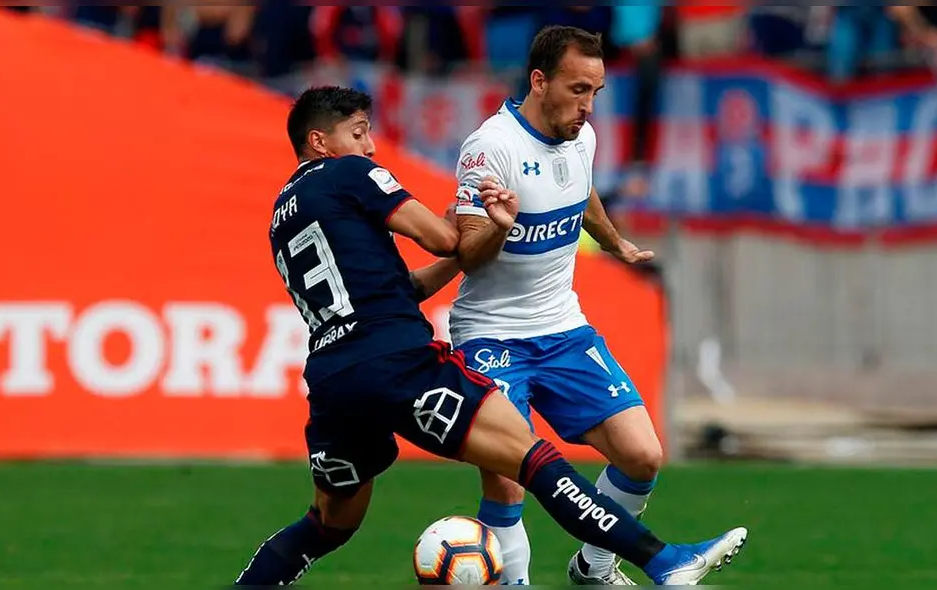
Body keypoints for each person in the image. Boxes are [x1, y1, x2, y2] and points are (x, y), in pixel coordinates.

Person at [233, 85, 747, 586]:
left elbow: (401, 288)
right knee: (532, 458)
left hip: (332, 377)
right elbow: (443, 239)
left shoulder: (283, 213)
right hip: (398, 361)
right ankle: (663, 562)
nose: (369, 146)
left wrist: (482, 237)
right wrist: (480, 218)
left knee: (328, 524)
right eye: (359, 132)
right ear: (320, 142)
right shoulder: (351, 172)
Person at [451, 25, 748, 585]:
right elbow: (467, 254)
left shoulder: (580, 137)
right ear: (539, 82)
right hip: (490, 337)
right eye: (577, 89)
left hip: (563, 328)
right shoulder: (491, 147)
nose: (587, 106)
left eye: (596, 92)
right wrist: (500, 227)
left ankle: (594, 566)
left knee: (642, 456)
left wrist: (614, 242)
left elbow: (582, 191)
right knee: (507, 478)